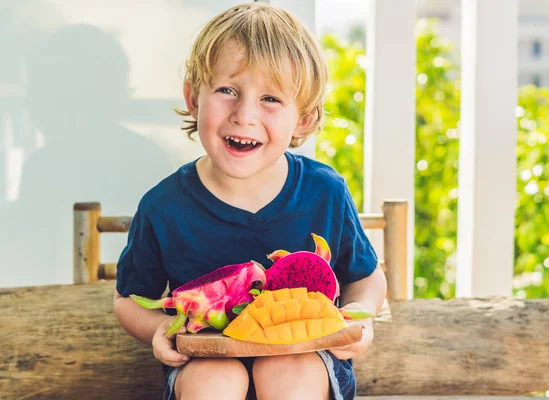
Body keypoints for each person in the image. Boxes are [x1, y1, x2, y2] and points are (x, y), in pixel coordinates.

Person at [113, 3, 387, 400]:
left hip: (302, 350)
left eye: (270, 99)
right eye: (227, 90)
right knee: (214, 382)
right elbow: (127, 300)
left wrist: (359, 318)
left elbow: (365, 276)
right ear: (193, 97)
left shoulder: (324, 192)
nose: (244, 115)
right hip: (206, 355)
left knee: (287, 373)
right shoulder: (162, 205)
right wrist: (157, 327)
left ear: (305, 118)